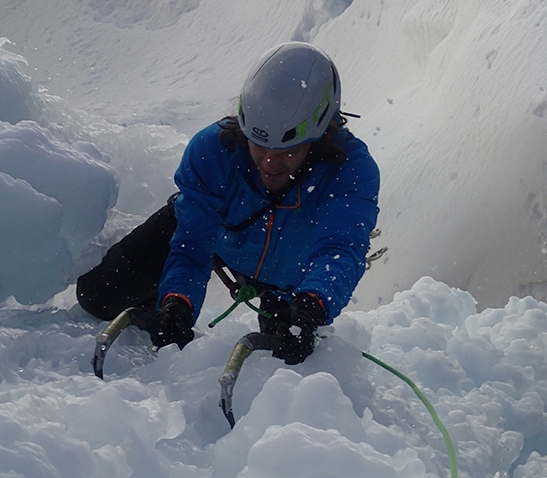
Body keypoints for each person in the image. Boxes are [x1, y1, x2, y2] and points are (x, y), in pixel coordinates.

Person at [76, 42, 380, 364]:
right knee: (96, 297)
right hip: (214, 240)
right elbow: (192, 244)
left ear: (320, 135)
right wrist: (177, 300)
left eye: (286, 152)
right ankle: (161, 297)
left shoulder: (351, 171)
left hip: (291, 281)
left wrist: (311, 307)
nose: (268, 163)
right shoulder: (212, 150)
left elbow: (339, 249)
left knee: (287, 361)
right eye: (258, 145)